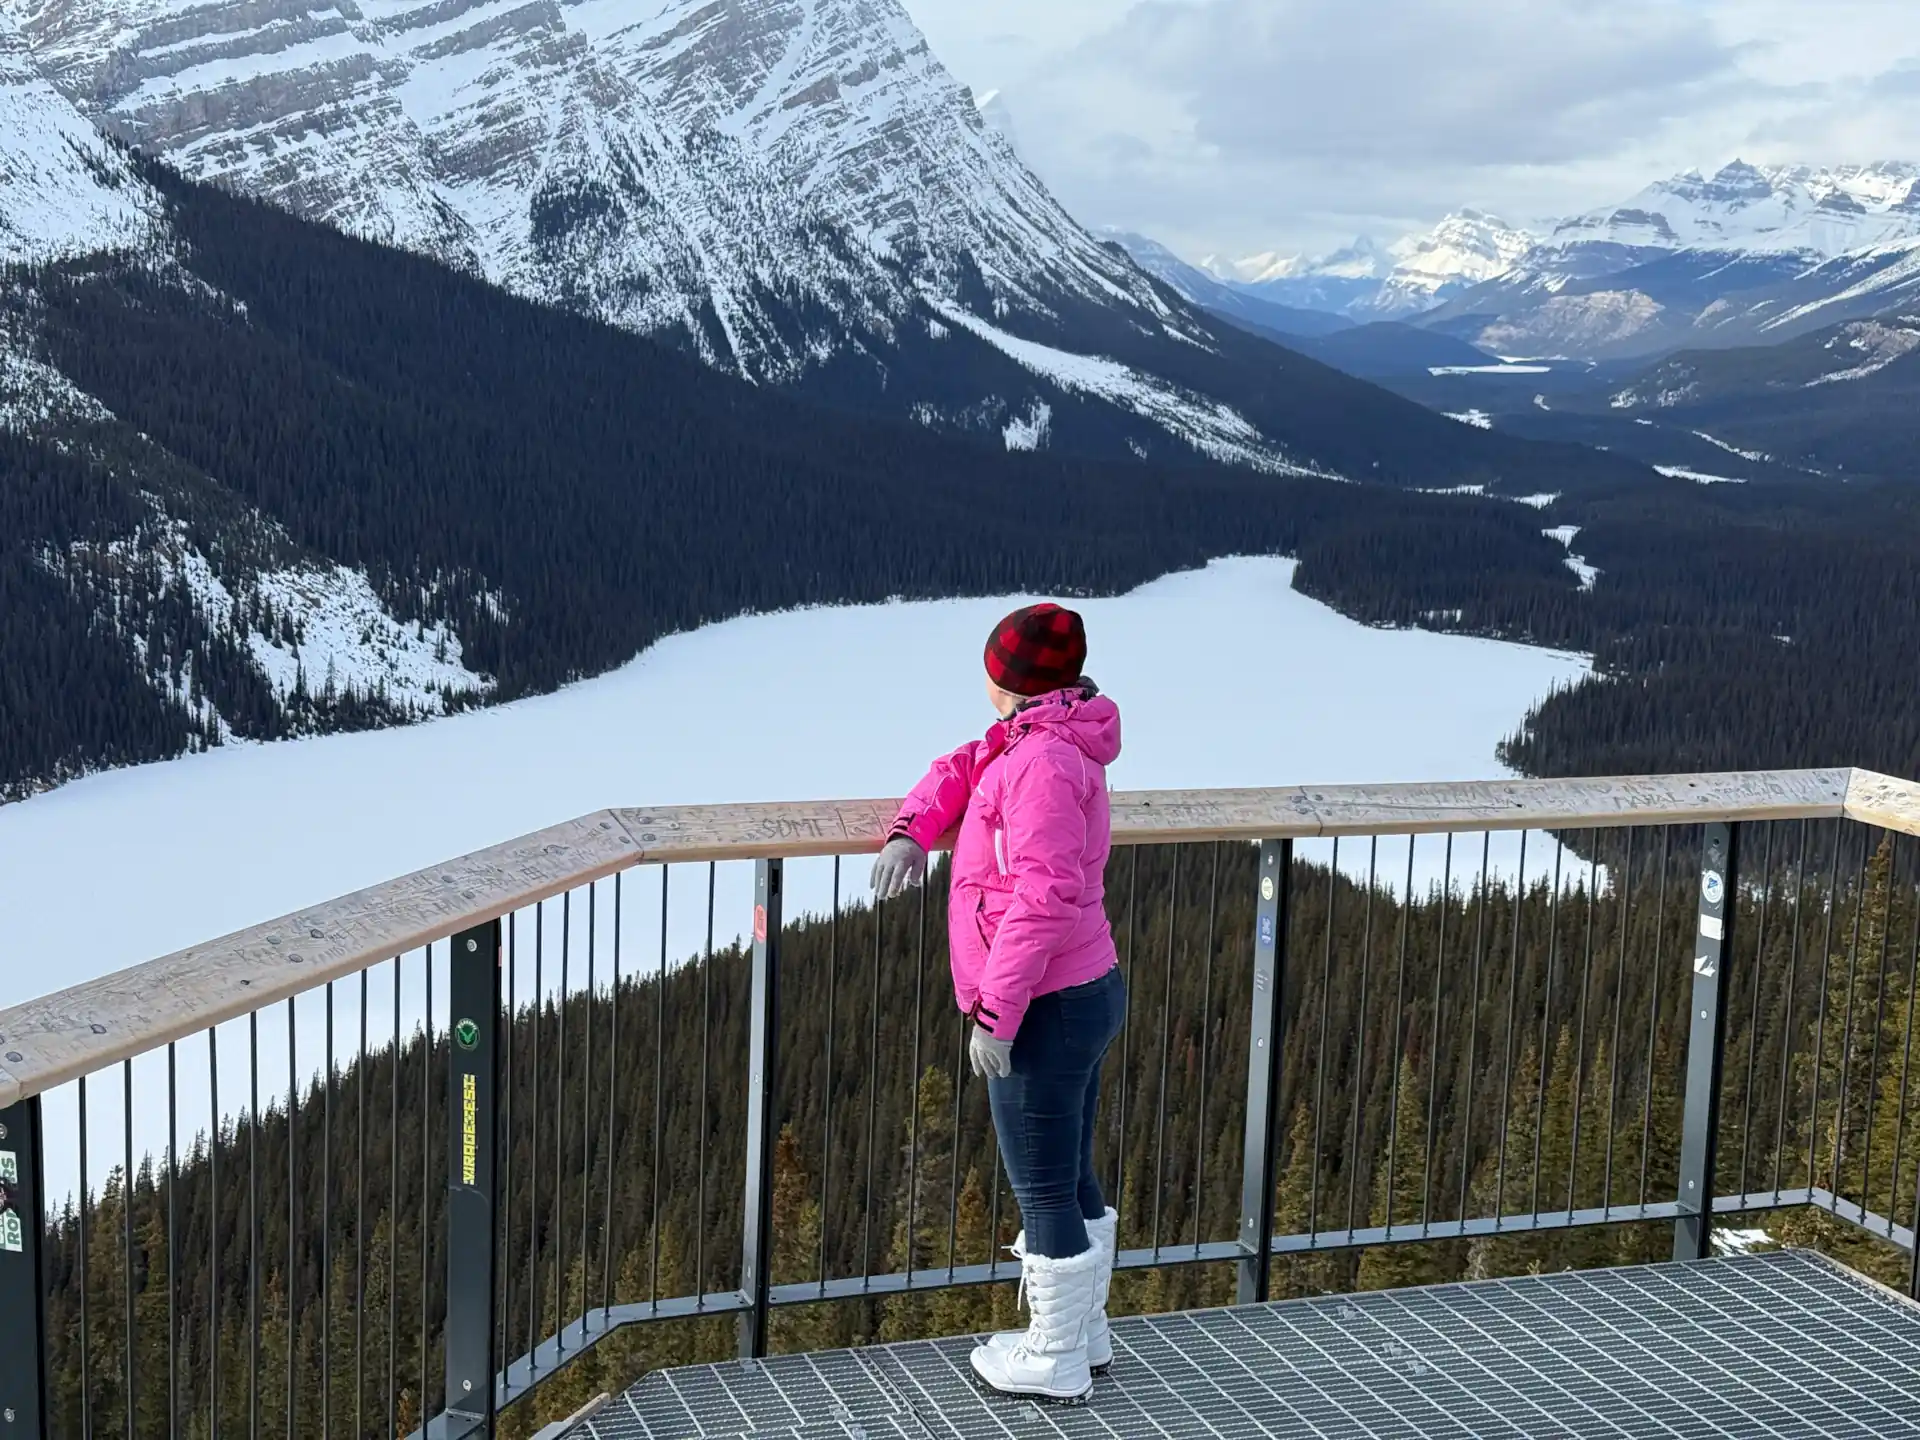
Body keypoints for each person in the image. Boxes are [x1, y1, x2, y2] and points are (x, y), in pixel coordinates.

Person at [871, 602, 1126, 1403]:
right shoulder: (1036, 738)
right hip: (1079, 990)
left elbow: (1044, 895)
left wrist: (996, 1013)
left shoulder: (1043, 761)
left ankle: (1053, 1355)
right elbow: (962, 766)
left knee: (1043, 1185)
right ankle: (1084, 1332)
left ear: (1009, 682)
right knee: (1070, 1170)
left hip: (1044, 1004)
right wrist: (914, 829)